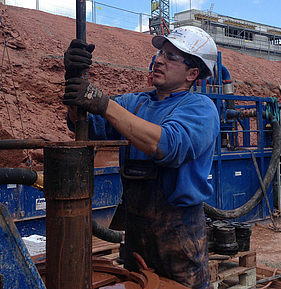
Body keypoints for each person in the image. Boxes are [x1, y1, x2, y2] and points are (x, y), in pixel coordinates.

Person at [63, 26, 220, 289]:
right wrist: (72, 78)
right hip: (136, 231)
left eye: (171, 57)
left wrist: (104, 103)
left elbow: (168, 146)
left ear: (192, 73)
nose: (158, 59)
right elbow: (85, 124)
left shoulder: (200, 109)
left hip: (179, 236)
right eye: (160, 52)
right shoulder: (135, 103)